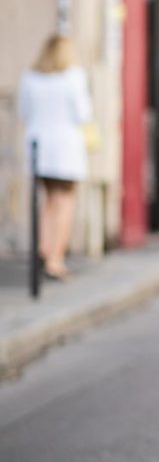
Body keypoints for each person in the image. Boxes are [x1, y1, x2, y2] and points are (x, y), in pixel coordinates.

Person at [18, 35, 93, 280]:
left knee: (48, 200)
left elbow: (23, 111)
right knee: (64, 202)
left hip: (38, 146)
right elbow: (83, 114)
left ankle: (43, 247)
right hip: (65, 148)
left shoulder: (30, 77)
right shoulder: (73, 77)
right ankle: (55, 259)